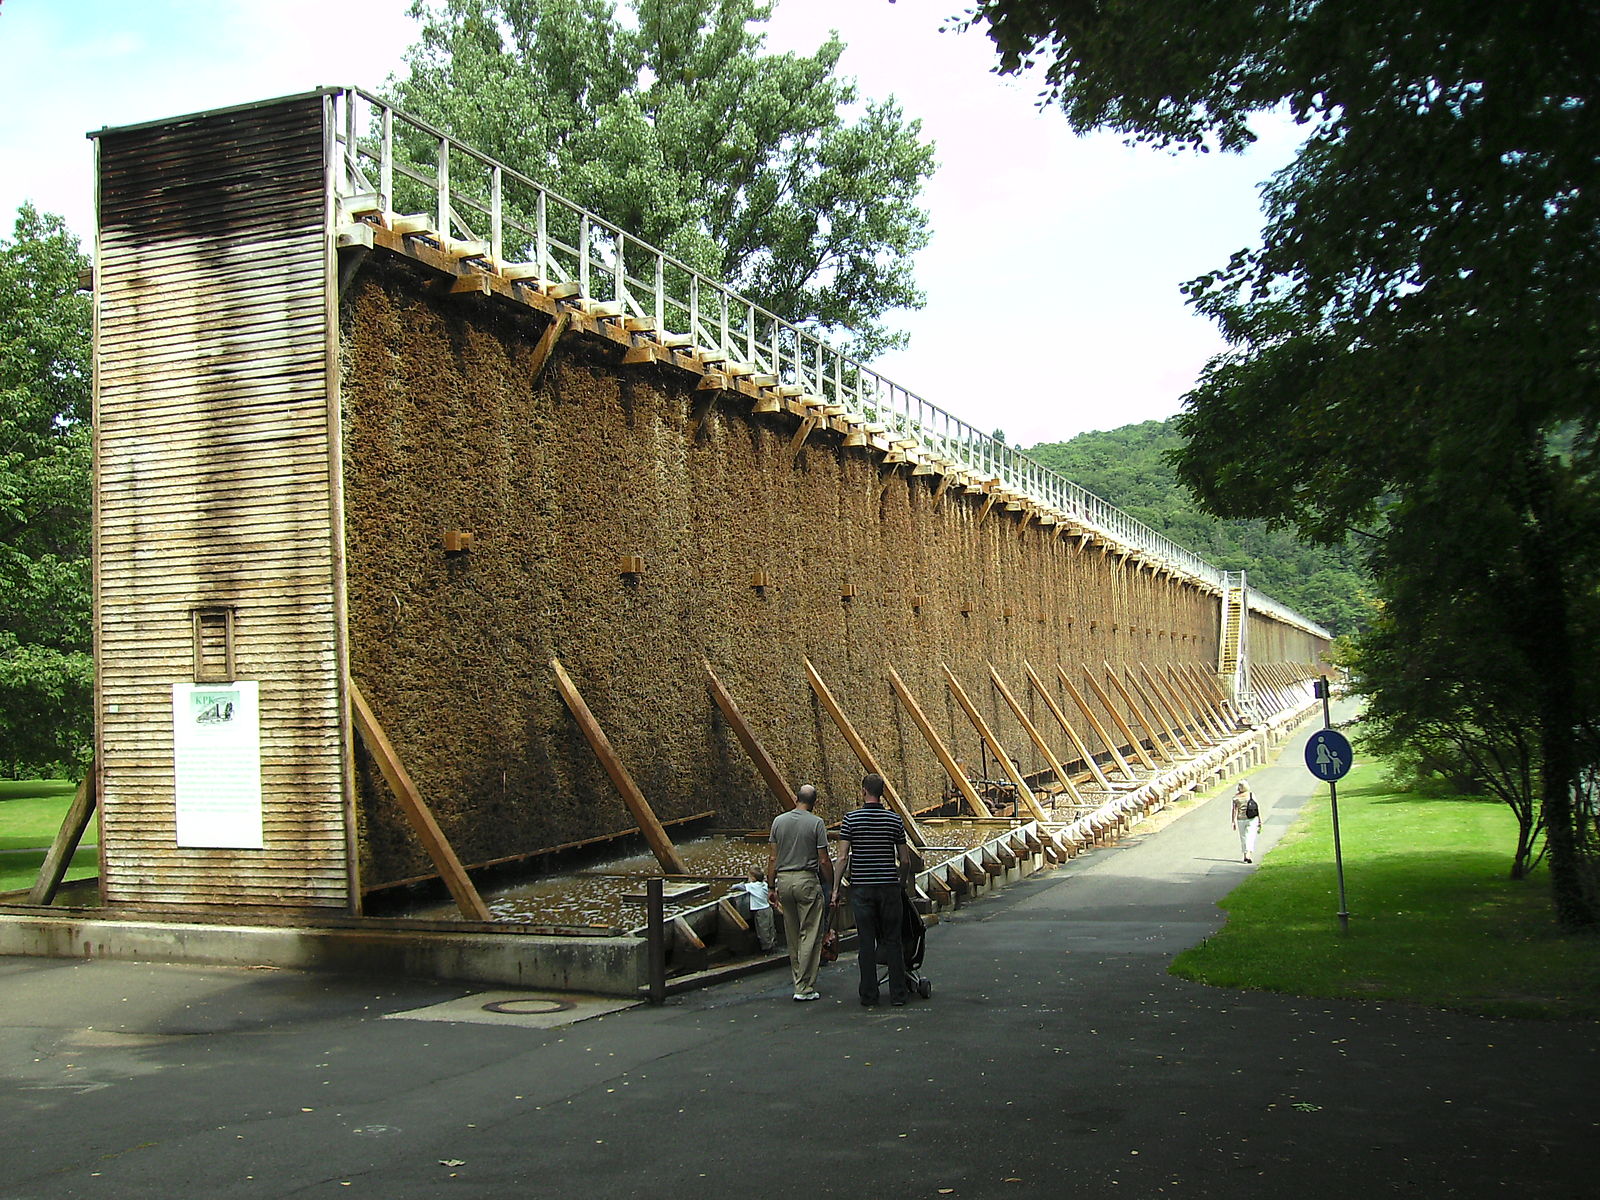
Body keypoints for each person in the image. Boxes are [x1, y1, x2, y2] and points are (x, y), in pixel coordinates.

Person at [832, 773, 911, 1007]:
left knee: (866, 943)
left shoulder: (851, 820)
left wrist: (836, 889)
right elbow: (905, 860)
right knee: (893, 941)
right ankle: (898, 994)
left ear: (864, 791)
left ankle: (869, 995)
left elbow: (842, 857)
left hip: (862, 889)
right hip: (888, 888)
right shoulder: (894, 820)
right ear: (882, 792)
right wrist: (901, 883)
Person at [767, 784, 834, 1002]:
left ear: (796, 798)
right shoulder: (816, 823)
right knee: (811, 934)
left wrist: (770, 886)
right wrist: (832, 885)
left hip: (784, 881)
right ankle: (804, 987)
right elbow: (823, 859)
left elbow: (772, 859)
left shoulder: (778, 821)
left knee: (793, 935)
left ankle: (798, 979)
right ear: (814, 803)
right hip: (806, 880)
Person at [731, 869, 776, 952]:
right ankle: (772, 944)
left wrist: (735, 885)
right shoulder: (764, 884)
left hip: (760, 910)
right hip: (768, 908)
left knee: (762, 930)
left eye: (749, 877)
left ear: (754, 878)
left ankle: (766, 948)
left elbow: (738, 887)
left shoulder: (753, 886)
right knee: (770, 927)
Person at [1231, 780, 1261, 863]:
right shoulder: (1251, 795)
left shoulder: (1235, 797)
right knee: (1250, 836)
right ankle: (1248, 854)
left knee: (1243, 837)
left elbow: (1234, 810)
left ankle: (1245, 854)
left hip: (1241, 819)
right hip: (1252, 818)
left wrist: (1233, 821)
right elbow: (1257, 807)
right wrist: (1260, 820)